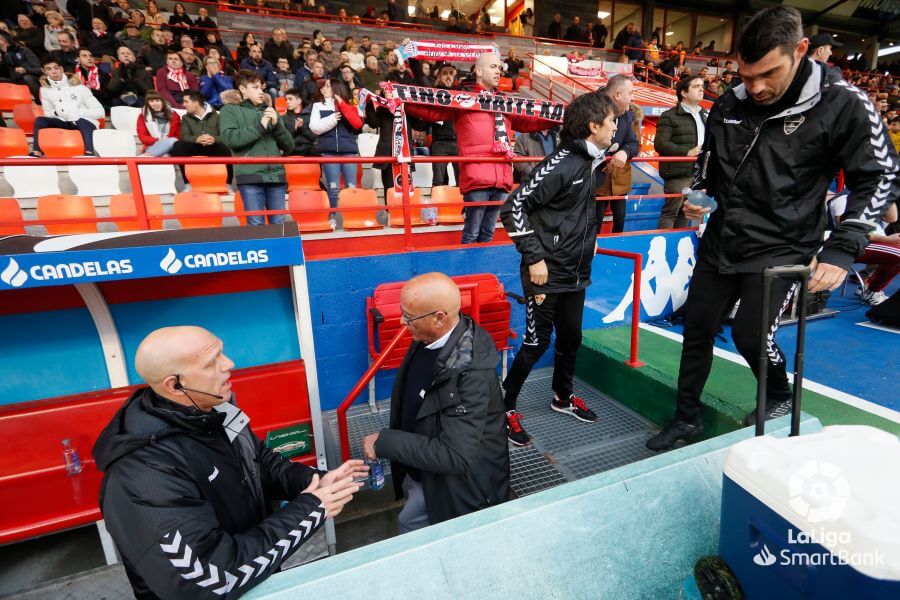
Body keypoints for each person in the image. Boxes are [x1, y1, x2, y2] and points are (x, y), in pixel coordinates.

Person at [646, 6, 900, 451]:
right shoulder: (731, 99)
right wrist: (700, 192)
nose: (756, 86)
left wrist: (843, 249)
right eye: (746, 75)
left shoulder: (843, 102)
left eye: (768, 73)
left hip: (785, 244)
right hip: (724, 236)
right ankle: (685, 419)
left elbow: (879, 176)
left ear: (801, 50)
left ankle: (780, 393)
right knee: (697, 327)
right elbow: (711, 163)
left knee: (749, 333)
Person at [94, 325, 365, 600]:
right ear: (175, 385)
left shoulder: (219, 409)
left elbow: (259, 460)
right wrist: (312, 508)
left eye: (222, 353)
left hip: (261, 578)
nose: (229, 364)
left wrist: (315, 482)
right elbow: (212, 580)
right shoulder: (143, 474)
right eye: (212, 362)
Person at [499, 92, 617, 445]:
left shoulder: (589, 160)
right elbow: (512, 208)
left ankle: (562, 398)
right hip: (546, 273)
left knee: (571, 339)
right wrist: (534, 257)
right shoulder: (563, 162)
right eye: (611, 120)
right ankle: (503, 408)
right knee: (536, 343)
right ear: (593, 126)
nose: (616, 125)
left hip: (575, 274)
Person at [360, 273, 510, 532]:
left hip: (454, 491)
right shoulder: (427, 338)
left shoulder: (470, 373)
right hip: (420, 471)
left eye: (409, 317)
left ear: (439, 318)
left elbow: (454, 455)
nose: (402, 322)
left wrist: (385, 442)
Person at [405, 52, 558, 244]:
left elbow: (529, 122)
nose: (499, 71)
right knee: (472, 233)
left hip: (501, 177)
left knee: (487, 234)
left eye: (499, 68)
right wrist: (402, 100)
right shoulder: (462, 97)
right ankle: (468, 274)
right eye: (493, 67)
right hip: (477, 176)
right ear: (478, 70)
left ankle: (480, 273)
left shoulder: (505, 101)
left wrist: (556, 119)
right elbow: (432, 110)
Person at [220, 70, 295, 225]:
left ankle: (277, 251)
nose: (261, 92)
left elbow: (289, 146)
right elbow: (230, 139)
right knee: (256, 224)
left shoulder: (270, 111)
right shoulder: (229, 110)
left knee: (280, 225)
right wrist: (260, 126)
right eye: (255, 87)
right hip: (250, 176)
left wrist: (277, 126)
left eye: (262, 88)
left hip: (276, 176)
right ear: (242, 89)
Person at [309, 78, 364, 229]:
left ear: (335, 88)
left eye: (327, 86)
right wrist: (332, 119)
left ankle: (352, 218)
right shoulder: (318, 106)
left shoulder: (349, 106)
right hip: (328, 152)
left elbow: (358, 124)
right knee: (333, 187)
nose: (323, 89)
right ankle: (332, 217)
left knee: (351, 187)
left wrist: (341, 104)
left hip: (349, 152)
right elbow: (314, 128)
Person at [654, 75, 707, 229]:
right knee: (671, 212)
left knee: (687, 213)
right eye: (696, 86)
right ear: (683, 93)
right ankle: (662, 247)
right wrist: (686, 152)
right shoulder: (669, 116)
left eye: (702, 86)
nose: (701, 89)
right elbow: (660, 144)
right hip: (678, 173)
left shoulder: (705, 114)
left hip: (698, 173)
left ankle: (679, 249)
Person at [594, 75, 640, 233]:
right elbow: (577, 142)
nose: (633, 98)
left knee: (620, 218)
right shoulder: (589, 107)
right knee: (594, 221)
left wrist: (624, 153)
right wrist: (603, 158)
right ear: (617, 95)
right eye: (630, 93)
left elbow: (633, 144)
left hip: (618, 180)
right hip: (592, 181)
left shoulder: (627, 115)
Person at [32, 57, 104, 157]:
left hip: (84, 121)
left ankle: (89, 153)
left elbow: (100, 112)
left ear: (61, 69)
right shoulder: (45, 90)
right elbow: (47, 113)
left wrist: (78, 113)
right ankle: (37, 151)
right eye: (49, 69)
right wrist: (56, 112)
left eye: (56, 68)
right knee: (40, 120)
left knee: (81, 121)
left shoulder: (80, 88)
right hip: (64, 121)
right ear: (44, 71)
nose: (53, 71)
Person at [171, 90, 234, 182]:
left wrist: (213, 139)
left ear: (196, 103)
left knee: (225, 148)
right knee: (178, 146)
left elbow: (225, 135)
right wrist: (197, 139)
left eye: (186, 102)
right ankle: (187, 183)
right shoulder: (185, 118)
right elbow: (184, 136)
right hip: (195, 147)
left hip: (214, 147)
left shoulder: (217, 116)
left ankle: (228, 182)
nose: (184, 105)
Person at [137, 90, 181, 156]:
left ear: (162, 101)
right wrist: (159, 140)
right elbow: (143, 137)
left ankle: (146, 156)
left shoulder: (174, 115)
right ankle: (147, 155)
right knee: (172, 141)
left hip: (169, 146)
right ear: (148, 103)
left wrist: (166, 141)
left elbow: (178, 135)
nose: (155, 104)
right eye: (151, 101)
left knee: (166, 155)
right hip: (152, 146)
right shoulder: (143, 116)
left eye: (157, 100)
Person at [0, 31, 41, 100]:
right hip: (15, 81)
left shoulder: (23, 50)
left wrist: (25, 70)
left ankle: (40, 102)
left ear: (2, 39)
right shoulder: (2, 55)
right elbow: (3, 74)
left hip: (30, 78)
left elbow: (39, 69)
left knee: (27, 78)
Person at [282, 88, 317, 156]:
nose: (287, 102)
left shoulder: (309, 116)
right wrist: (295, 128)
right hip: (292, 150)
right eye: (286, 99)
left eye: (290, 99)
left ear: (299, 101)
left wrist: (302, 127)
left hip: (308, 150)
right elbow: (284, 140)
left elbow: (314, 138)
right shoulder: (283, 118)